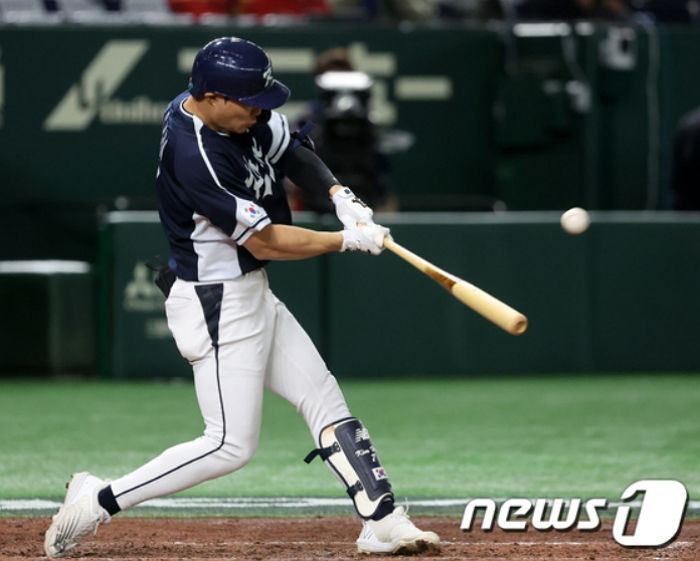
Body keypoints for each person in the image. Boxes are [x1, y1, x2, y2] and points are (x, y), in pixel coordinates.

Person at [43, 37, 440, 558]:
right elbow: (268, 240)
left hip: (250, 292)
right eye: (247, 102)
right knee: (229, 445)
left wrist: (342, 196)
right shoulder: (196, 153)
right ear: (209, 97)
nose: (258, 111)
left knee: (324, 398)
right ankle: (96, 501)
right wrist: (346, 239)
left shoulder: (240, 116)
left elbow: (292, 149)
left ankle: (383, 520)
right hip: (218, 303)